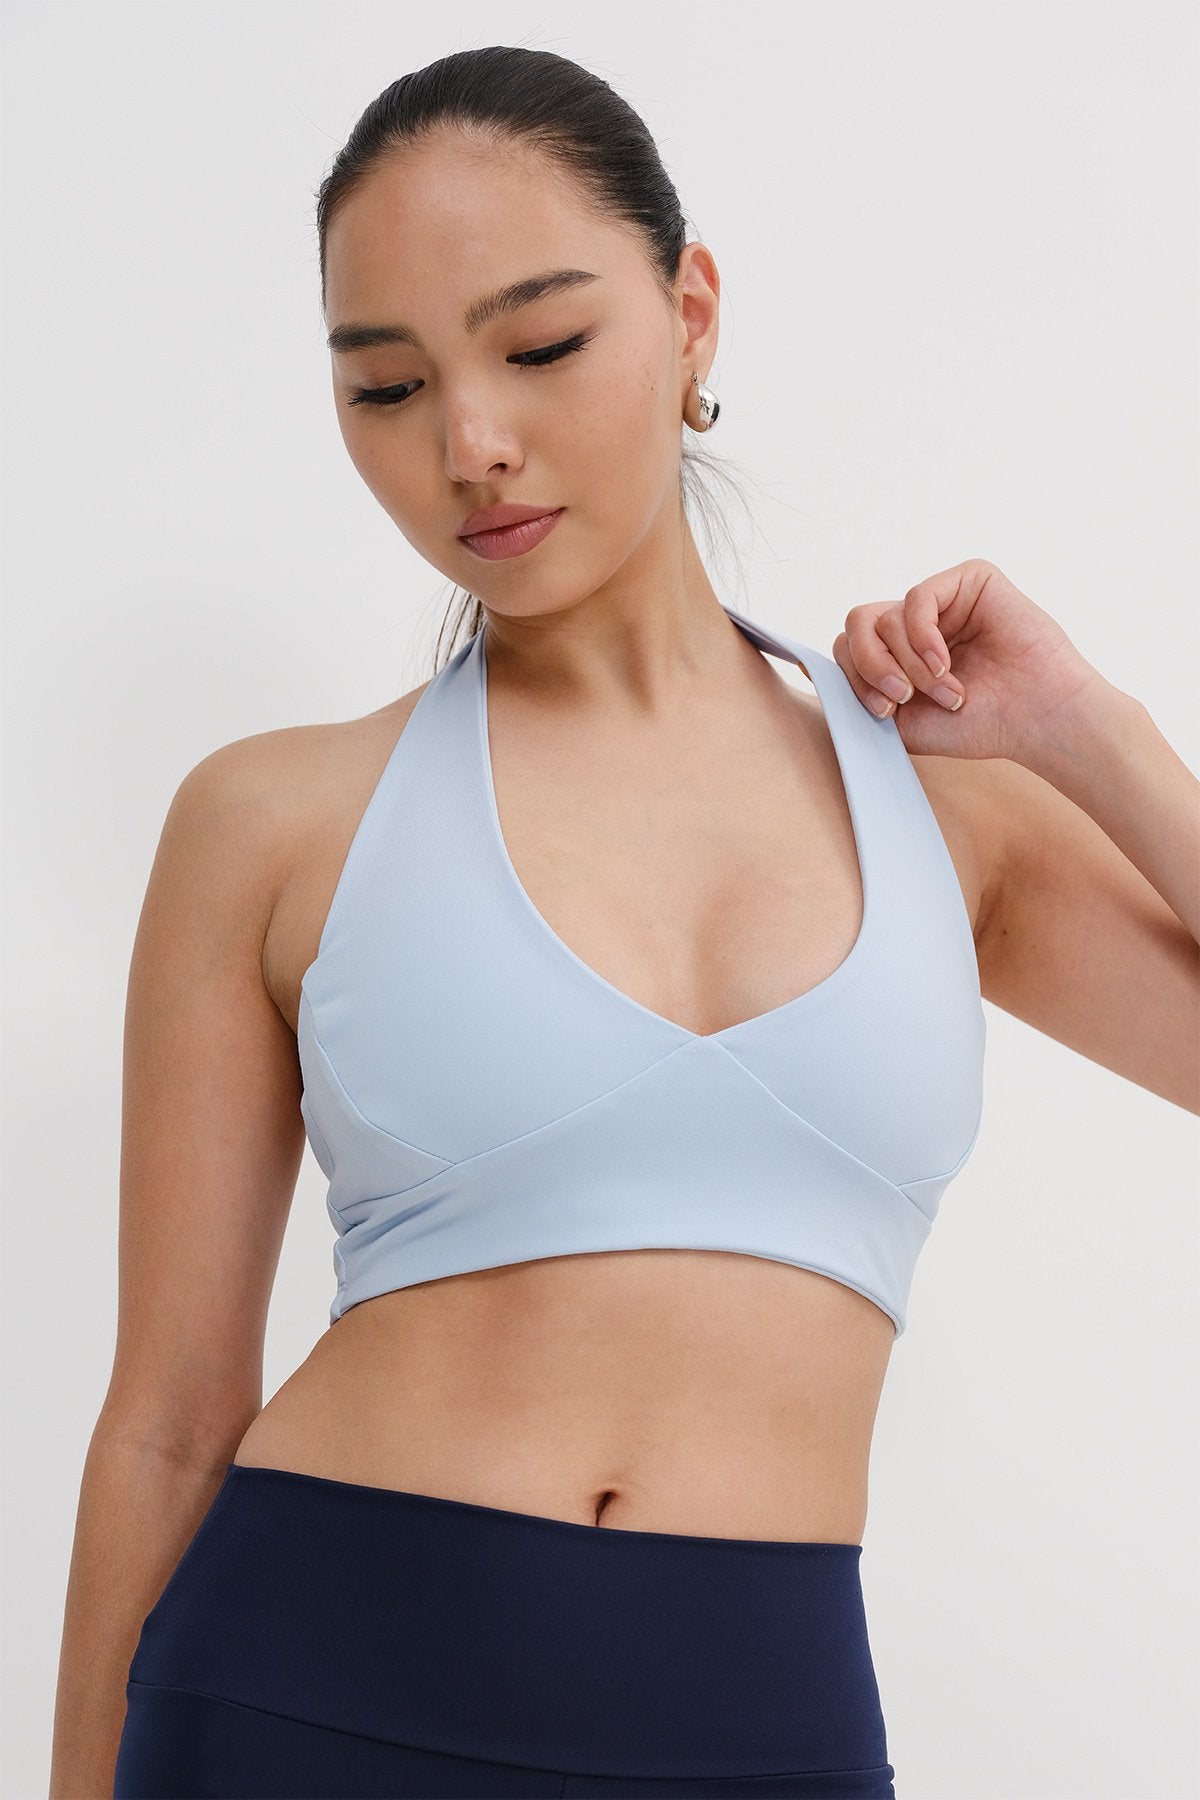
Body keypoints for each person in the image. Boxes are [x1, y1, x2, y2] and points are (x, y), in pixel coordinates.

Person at [50, 44, 1198, 1800]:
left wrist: (1095, 733)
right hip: (305, 1699)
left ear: (691, 313)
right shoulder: (274, 821)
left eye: (540, 346)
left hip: (761, 1735)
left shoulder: (948, 809)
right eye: (386, 385)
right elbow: (165, 1418)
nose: (471, 445)